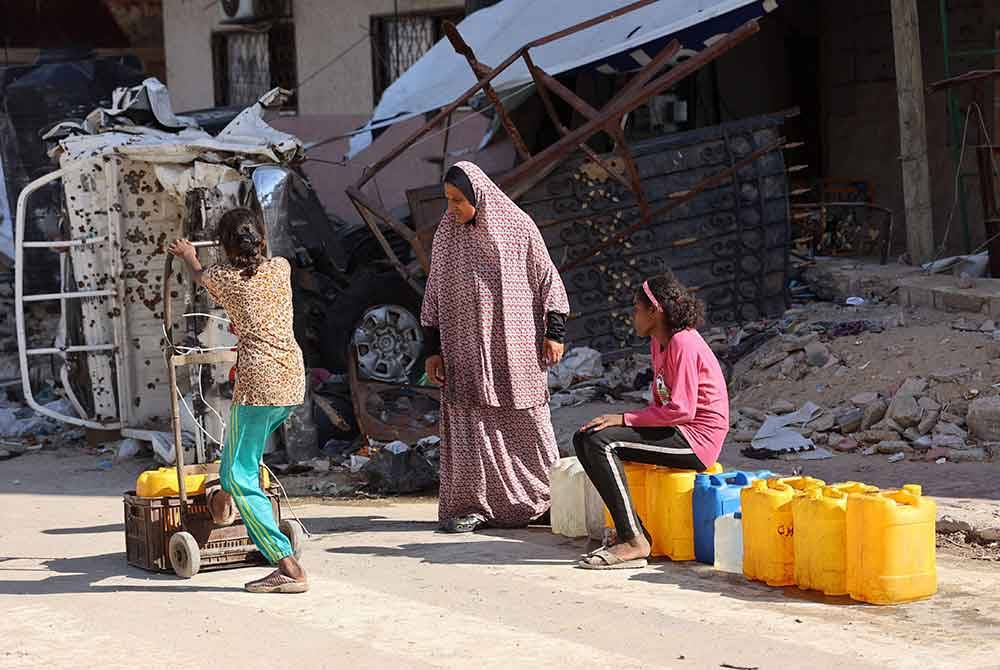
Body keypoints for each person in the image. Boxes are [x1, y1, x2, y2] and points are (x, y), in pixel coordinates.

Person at [421, 161, 570, 533]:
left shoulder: (519, 228)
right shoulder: (445, 235)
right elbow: (435, 293)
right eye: (448, 201)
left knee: (530, 426)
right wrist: (433, 348)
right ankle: (473, 507)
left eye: (458, 201)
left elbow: (548, 279)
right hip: (464, 353)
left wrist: (555, 332)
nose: (452, 208)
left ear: (479, 197)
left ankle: (545, 501)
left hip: (515, 352)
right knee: (472, 428)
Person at [168, 207, 308, 593]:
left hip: (260, 384)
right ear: (261, 240)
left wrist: (189, 254)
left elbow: (198, 275)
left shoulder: (224, 278)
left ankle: (287, 566)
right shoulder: (281, 268)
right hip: (291, 380)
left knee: (238, 474)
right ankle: (223, 505)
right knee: (242, 452)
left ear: (227, 247)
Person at [574, 272, 729, 569]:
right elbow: (661, 402)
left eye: (636, 308)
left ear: (654, 311)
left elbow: (682, 409)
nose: (633, 316)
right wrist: (624, 422)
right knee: (586, 436)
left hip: (697, 441)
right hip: (675, 429)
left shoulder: (684, 343)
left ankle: (633, 540)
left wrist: (624, 418)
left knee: (600, 442)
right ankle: (632, 531)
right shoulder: (659, 343)